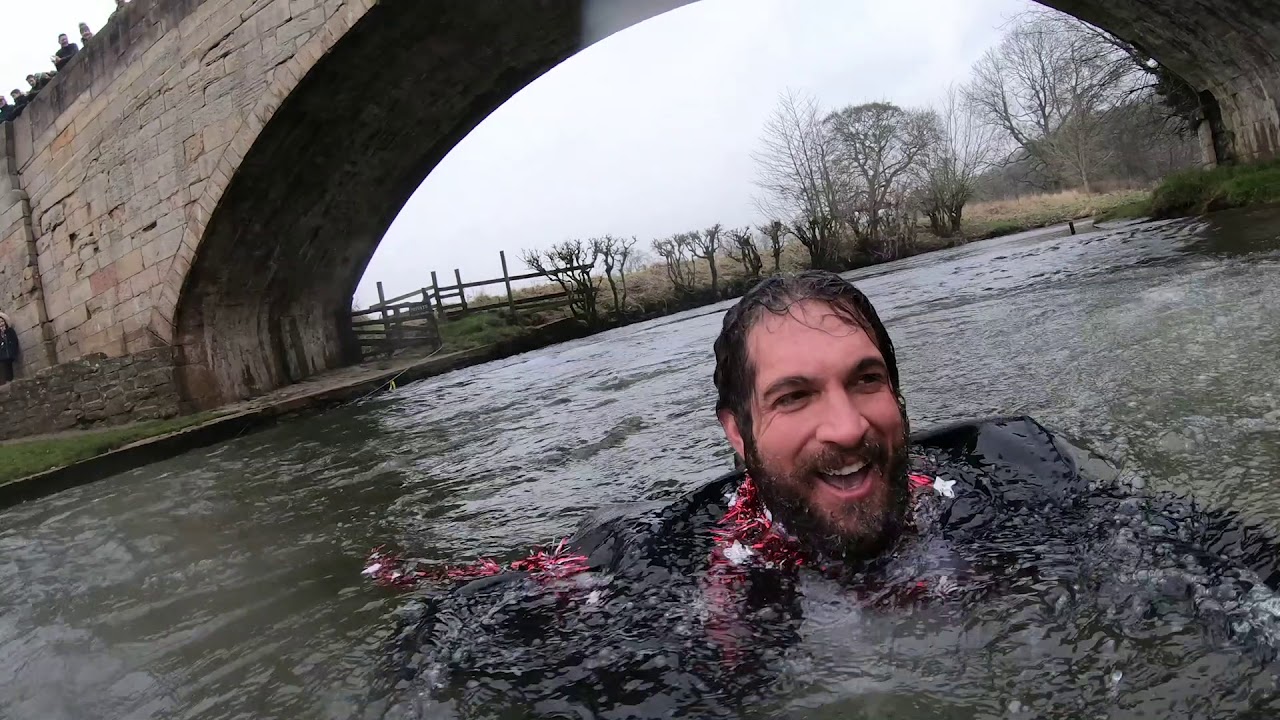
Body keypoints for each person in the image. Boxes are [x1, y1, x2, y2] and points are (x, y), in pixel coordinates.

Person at [0, 313, 19, 384]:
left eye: (2, 321)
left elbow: (14, 342)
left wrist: (13, 352)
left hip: (10, 356)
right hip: (1, 358)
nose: (1, 324)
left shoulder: (10, 331)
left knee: (10, 374)